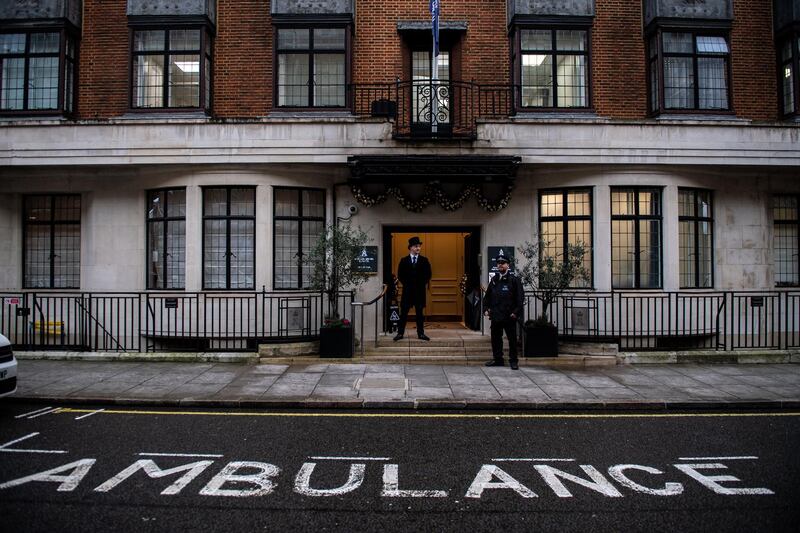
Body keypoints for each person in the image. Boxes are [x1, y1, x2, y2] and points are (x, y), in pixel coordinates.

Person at [482, 252, 524, 369]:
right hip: (496, 316)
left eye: (503, 263)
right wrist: (485, 309)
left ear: (508, 266)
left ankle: (513, 361)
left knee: (512, 340)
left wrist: (515, 313)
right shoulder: (494, 280)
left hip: (509, 316)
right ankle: (498, 359)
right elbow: (487, 298)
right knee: (496, 339)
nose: (500, 265)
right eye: (499, 263)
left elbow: (520, 299)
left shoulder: (514, 281)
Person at [394, 236, 432, 341]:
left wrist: (420, 284)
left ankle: (421, 334)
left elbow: (428, 275)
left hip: (420, 291)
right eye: (416, 246)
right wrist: (408, 284)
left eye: (419, 246)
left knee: (420, 314)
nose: (418, 248)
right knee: (404, 313)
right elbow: (400, 275)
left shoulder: (424, 260)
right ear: (410, 247)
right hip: (407, 291)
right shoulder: (404, 260)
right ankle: (400, 333)